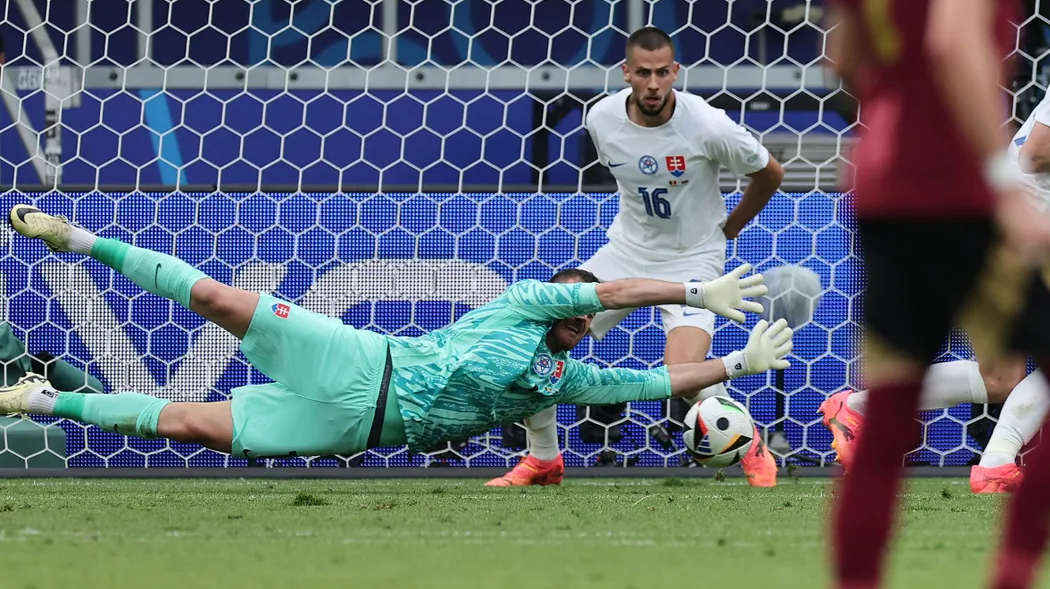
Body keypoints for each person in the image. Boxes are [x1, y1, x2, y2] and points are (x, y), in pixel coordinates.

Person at [826, 0, 1050, 587]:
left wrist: (898, 112)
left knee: (888, 414)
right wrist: (999, 180)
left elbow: (844, 52)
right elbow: (954, 37)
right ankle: (1012, 575)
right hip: (954, 183)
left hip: (880, 181)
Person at [0, 205, 794, 460]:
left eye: (589, 317)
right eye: (577, 305)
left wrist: (736, 363)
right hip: (357, 358)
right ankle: (80, 241)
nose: (587, 318)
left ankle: (41, 402)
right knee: (214, 298)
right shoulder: (525, 303)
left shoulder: (567, 379)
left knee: (184, 424)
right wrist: (694, 288)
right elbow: (618, 285)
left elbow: (658, 382)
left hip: (356, 423)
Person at [819, 0, 1050, 496]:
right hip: (1017, 216)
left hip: (1036, 220)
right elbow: (1037, 152)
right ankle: (993, 462)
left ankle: (865, 410)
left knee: (1002, 377)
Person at [486, 26, 787, 488]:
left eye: (662, 72)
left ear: (675, 72)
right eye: (642, 72)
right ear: (626, 72)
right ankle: (544, 460)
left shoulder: (708, 125)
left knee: (681, 374)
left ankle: (750, 446)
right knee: (541, 336)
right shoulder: (601, 118)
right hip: (626, 251)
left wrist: (729, 229)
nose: (652, 83)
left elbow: (770, 172)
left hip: (693, 258)